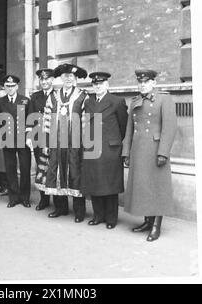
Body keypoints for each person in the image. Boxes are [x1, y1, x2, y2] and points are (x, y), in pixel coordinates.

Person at [122, 69, 177, 241]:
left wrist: (163, 153)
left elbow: (169, 128)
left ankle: (156, 226)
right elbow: (129, 130)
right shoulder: (135, 101)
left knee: (157, 188)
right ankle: (147, 221)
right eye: (140, 82)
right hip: (138, 151)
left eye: (146, 82)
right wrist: (126, 152)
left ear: (154, 83)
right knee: (143, 187)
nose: (142, 85)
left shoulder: (164, 99)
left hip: (155, 150)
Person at [35, 63, 88, 223]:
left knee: (75, 174)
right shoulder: (53, 96)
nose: (68, 79)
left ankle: (79, 212)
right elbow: (46, 119)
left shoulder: (82, 96)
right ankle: (60, 208)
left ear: (75, 78)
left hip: (74, 144)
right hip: (56, 143)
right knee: (56, 172)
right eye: (65, 77)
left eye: (71, 77)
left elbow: (86, 121)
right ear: (61, 78)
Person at [81, 72, 128, 229]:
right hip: (93, 147)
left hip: (109, 149)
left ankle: (111, 218)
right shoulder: (89, 103)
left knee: (110, 184)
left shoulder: (117, 101)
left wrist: (114, 142)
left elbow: (123, 126)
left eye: (100, 84)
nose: (97, 86)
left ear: (107, 85)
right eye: (95, 84)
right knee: (95, 182)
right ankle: (98, 215)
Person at [0, 75, 31, 208]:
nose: (10, 88)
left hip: (23, 140)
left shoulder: (25, 100)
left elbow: (30, 121)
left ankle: (25, 197)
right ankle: (13, 197)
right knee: (10, 170)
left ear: (17, 86)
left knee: (25, 168)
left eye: (12, 86)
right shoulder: (0, 102)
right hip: (8, 139)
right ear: (4, 87)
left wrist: (29, 137)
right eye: (7, 86)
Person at [26, 68, 55, 211]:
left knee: (54, 168)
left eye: (47, 79)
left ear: (52, 80)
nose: (44, 82)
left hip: (54, 138)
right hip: (39, 138)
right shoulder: (35, 97)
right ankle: (44, 200)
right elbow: (30, 118)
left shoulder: (58, 95)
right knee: (41, 168)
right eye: (42, 79)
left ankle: (57, 200)